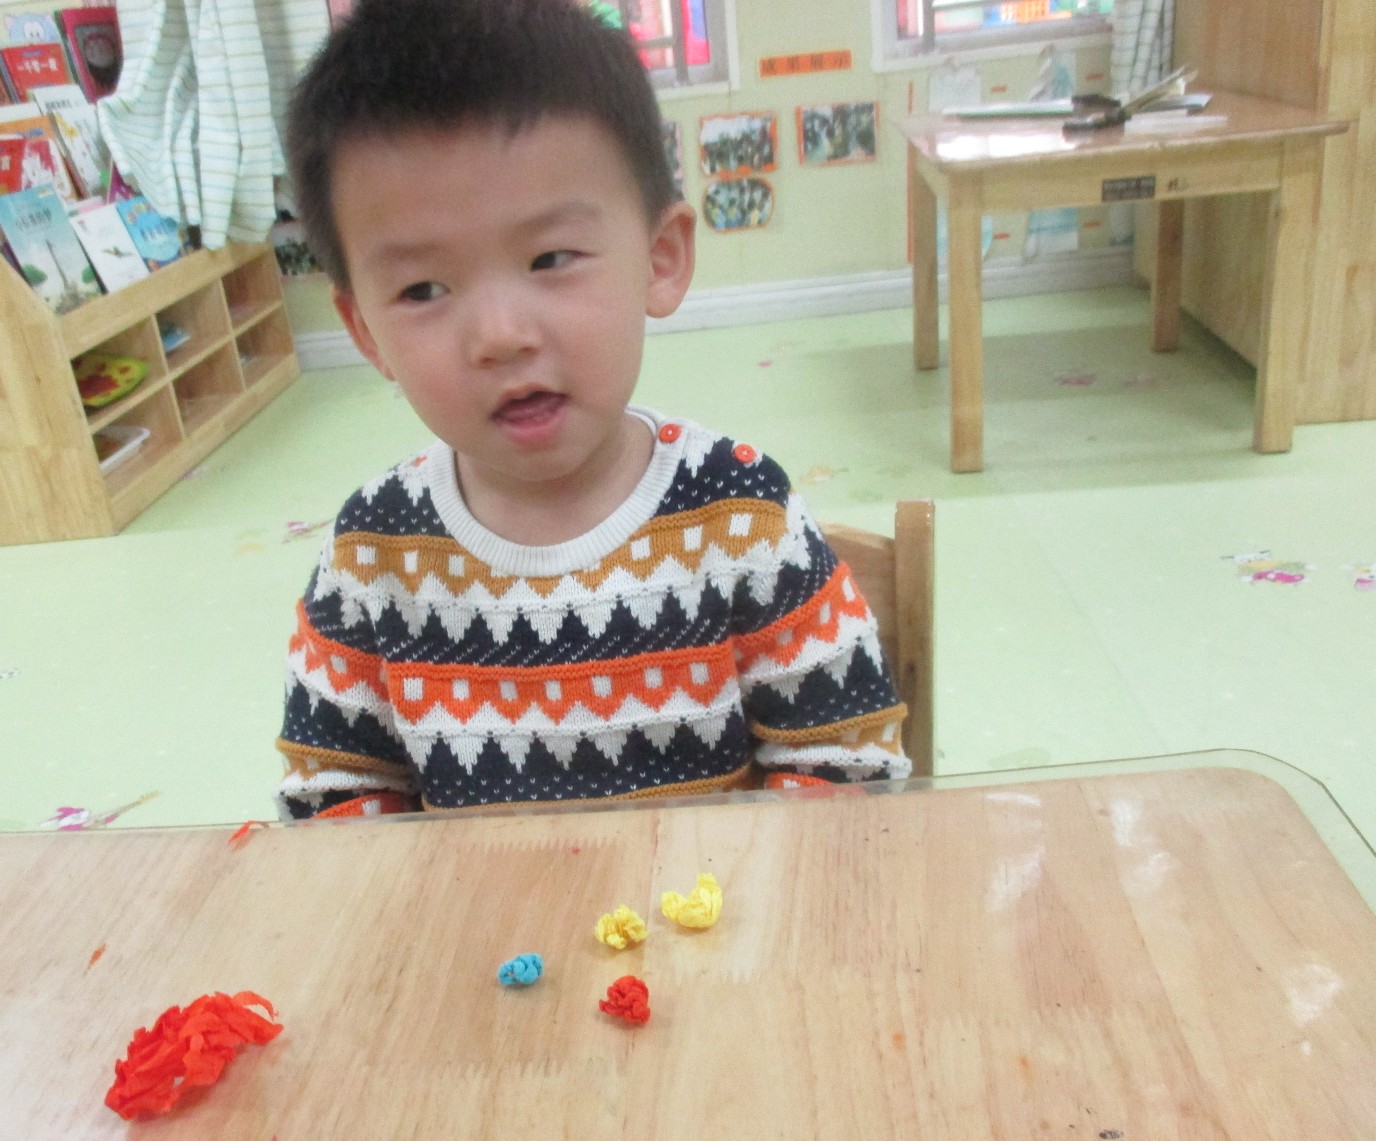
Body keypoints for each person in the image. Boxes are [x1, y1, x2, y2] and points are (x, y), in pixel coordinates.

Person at [275, 0, 910, 819]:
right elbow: (331, 803)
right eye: (423, 289)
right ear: (365, 330)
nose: (500, 336)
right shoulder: (372, 556)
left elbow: (849, 773)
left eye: (550, 258)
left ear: (660, 258)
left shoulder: (739, 516)